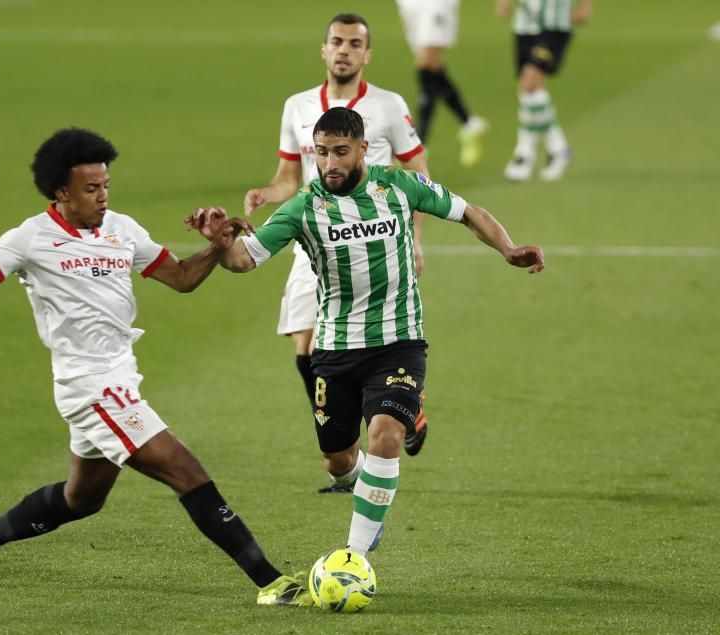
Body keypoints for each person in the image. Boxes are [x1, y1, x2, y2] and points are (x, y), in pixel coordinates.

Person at [0, 128, 310, 606]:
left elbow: (181, 278)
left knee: (81, 499)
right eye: (91, 188)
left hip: (122, 377)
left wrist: (216, 247)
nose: (102, 196)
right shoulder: (30, 239)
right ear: (61, 192)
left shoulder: (122, 228)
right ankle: (272, 584)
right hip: (89, 386)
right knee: (184, 469)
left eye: (106, 186)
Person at [200, 107, 544, 554]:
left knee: (386, 435)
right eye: (321, 152)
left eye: (340, 152)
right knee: (338, 462)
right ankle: (370, 495)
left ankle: (355, 558)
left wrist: (508, 249)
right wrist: (220, 243)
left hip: (398, 342)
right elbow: (243, 260)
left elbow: (468, 212)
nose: (329, 163)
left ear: (363, 148)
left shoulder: (400, 186)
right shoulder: (304, 207)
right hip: (336, 349)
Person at [244, 13, 433, 495]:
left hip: (374, 239)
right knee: (305, 346)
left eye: (354, 43)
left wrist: (415, 237)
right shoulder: (298, 106)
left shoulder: (388, 105)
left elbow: (417, 171)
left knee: (371, 338)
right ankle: (344, 448)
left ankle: (399, 403)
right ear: (324, 50)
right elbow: (289, 177)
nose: (344, 50)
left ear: (367, 54)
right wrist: (267, 194)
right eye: (336, 42)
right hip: (317, 238)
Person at [498, 0, 592, 181]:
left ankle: (524, 153)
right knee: (530, 93)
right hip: (524, 23)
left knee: (529, 84)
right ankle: (558, 148)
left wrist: (585, 6)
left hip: (554, 24)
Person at [396, 0, 489, 166]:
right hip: (410, 5)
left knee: (426, 64)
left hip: (435, 5)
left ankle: (419, 143)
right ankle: (469, 123)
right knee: (433, 69)